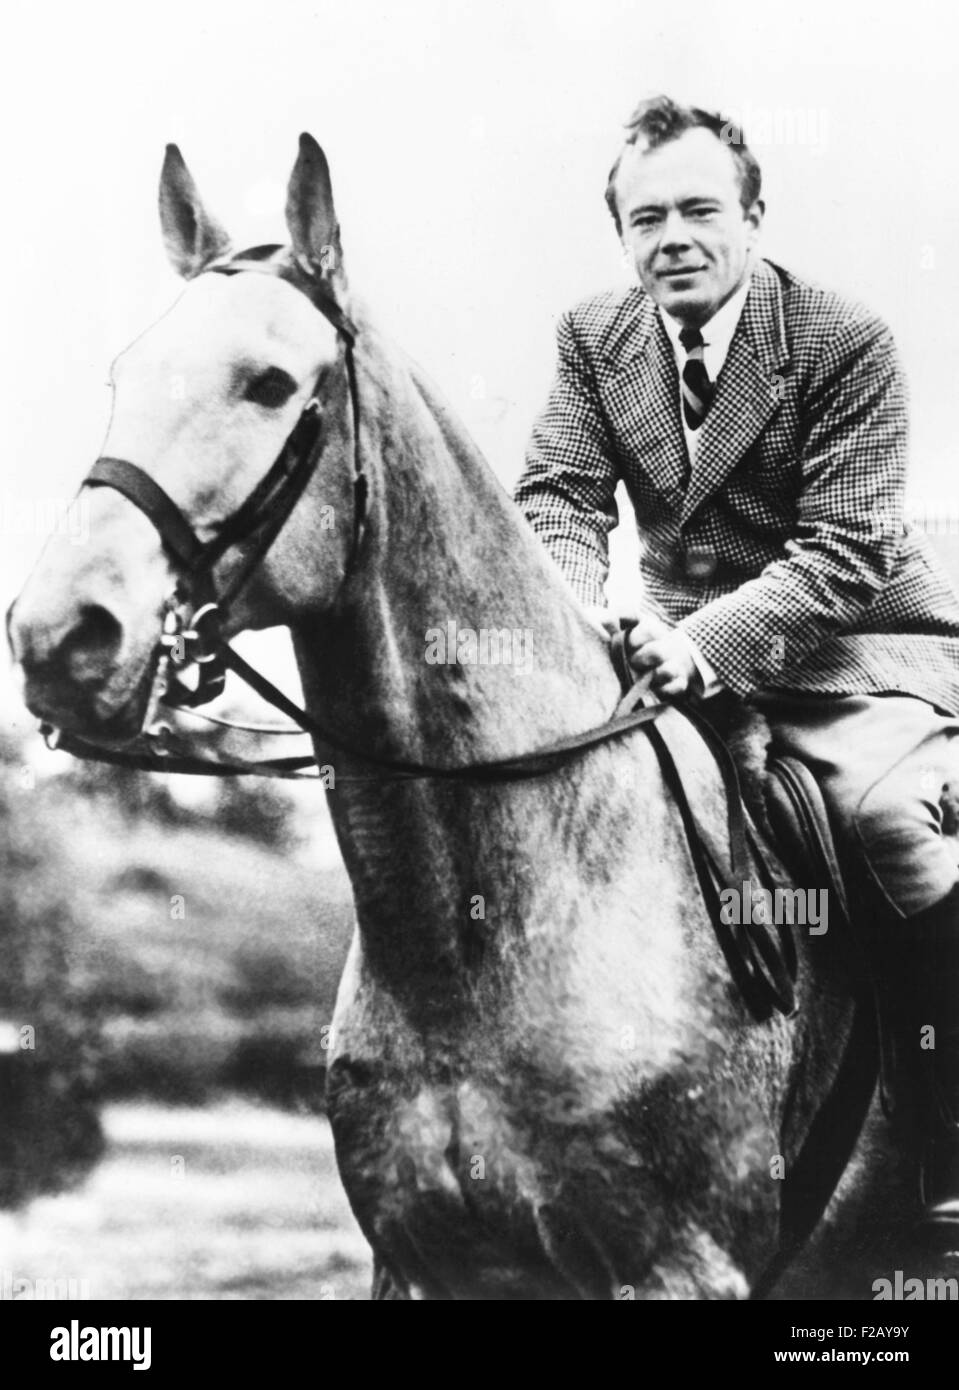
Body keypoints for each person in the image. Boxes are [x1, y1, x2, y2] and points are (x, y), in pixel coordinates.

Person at [514, 94, 959, 1242]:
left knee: (888, 825)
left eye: (700, 209)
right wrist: (582, 618)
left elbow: (843, 550)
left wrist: (698, 646)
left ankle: (942, 1126)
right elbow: (558, 496)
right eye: (645, 216)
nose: (673, 237)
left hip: (851, 645)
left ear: (752, 216)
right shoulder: (589, 336)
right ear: (619, 234)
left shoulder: (840, 336)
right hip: (666, 648)